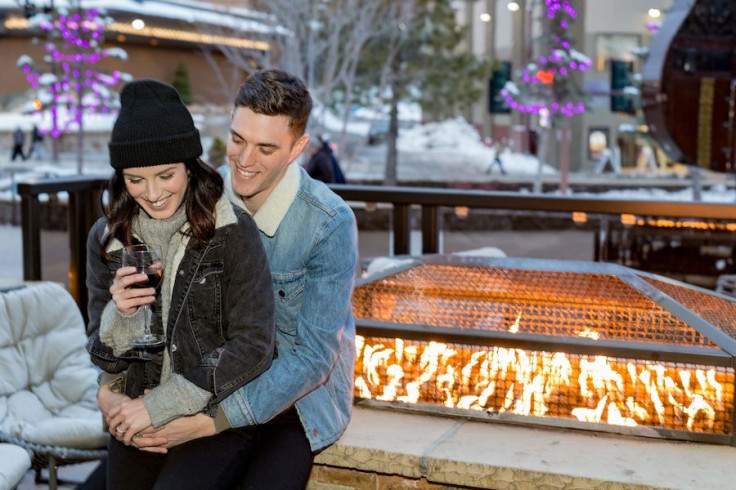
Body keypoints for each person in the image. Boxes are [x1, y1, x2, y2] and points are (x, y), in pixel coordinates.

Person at [94, 69, 358, 489]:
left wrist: (207, 422)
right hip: (205, 381)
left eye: (266, 148)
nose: (245, 160)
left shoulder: (328, 224)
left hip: (292, 399)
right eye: (238, 140)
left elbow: (311, 359)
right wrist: (110, 389)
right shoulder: (194, 192)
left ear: (298, 149)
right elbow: (145, 314)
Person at [83, 79, 275, 489]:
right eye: (135, 180)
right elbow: (106, 361)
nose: (152, 194)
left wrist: (163, 406)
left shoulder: (232, 231)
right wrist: (120, 315)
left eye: (166, 175)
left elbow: (254, 344)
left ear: (190, 165)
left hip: (211, 418)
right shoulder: (107, 239)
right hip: (138, 409)